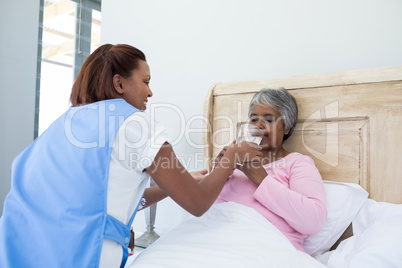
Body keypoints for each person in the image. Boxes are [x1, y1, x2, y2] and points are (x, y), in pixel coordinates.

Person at [0, 44, 262, 268]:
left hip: (20, 250)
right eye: (146, 81)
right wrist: (233, 157)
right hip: (80, 254)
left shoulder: (65, 122)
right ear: (119, 82)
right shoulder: (134, 123)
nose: (150, 92)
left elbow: (101, 202)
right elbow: (197, 204)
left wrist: (174, 186)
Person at [214, 88, 327, 252]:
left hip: (266, 249)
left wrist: (261, 178)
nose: (258, 125)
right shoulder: (236, 163)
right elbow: (205, 210)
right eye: (254, 119)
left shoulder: (297, 163)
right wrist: (220, 173)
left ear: (287, 127)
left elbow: (314, 221)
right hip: (218, 241)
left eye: (269, 119)